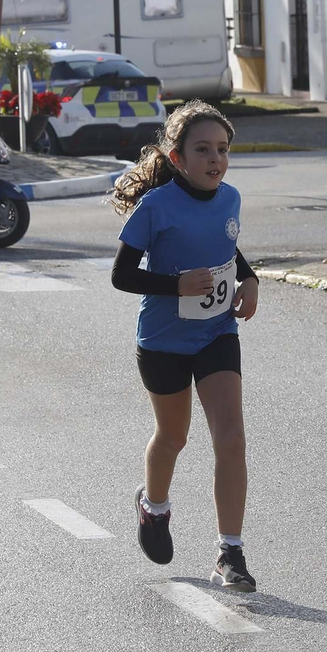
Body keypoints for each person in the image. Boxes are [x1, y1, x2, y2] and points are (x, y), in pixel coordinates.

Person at [109, 100, 261, 592]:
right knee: (173, 437)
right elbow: (121, 274)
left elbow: (225, 244)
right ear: (177, 158)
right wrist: (175, 285)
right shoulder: (156, 206)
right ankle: (153, 507)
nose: (215, 159)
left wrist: (249, 278)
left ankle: (229, 552)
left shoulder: (230, 198)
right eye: (203, 150)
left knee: (231, 437)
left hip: (217, 332)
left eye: (223, 149)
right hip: (163, 340)